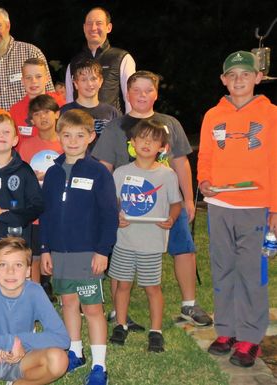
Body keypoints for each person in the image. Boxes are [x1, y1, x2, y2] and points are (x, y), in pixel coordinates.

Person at [92, 71, 212, 330]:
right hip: (128, 207)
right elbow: (104, 168)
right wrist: (109, 208)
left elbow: (181, 163)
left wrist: (188, 199)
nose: (142, 95)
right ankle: (118, 310)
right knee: (120, 253)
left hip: (166, 203)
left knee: (183, 248)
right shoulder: (116, 127)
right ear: (127, 93)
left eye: (148, 90)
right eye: (136, 90)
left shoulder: (170, 124)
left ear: (156, 94)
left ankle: (189, 303)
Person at [198, 51, 277, 368]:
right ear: (223, 80)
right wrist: (203, 180)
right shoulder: (212, 116)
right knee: (223, 268)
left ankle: (249, 336)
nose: (239, 79)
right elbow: (204, 155)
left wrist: (274, 208)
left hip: (255, 206)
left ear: (259, 77)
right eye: (233, 74)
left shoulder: (271, 115)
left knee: (251, 272)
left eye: (246, 73)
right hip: (219, 205)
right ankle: (227, 329)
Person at [40, 110, 117, 385]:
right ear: (58, 136)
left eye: (80, 136)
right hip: (59, 252)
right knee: (68, 302)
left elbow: (109, 215)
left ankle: (99, 366)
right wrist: (45, 248)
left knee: (92, 308)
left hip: (88, 253)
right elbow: (46, 213)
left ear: (91, 137)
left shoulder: (98, 172)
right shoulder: (52, 172)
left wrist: (102, 250)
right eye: (67, 135)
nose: (73, 141)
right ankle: (75, 351)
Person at [109, 119, 180, 353]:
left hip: (151, 243)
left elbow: (175, 204)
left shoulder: (167, 175)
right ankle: (121, 324)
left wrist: (170, 219)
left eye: (153, 139)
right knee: (123, 285)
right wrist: (117, 216)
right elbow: (115, 205)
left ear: (162, 146)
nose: (147, 143)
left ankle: (155, 331)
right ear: (133, 142)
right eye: (142, 138)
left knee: (152, 288)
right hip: (125, 241)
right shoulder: (121, 173)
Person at [0, 237, 69, 385]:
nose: (10, 271)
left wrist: (20, 343)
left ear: (28, 271)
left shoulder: (35, 292)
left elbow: (62, 338)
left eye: (18, 265)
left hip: (24, 357)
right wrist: (7, 342)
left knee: (59, 360)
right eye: (3, 264)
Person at [0, 114, 43, 280]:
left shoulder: (24, 170)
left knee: (17, 295)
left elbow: (38, 205)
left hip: (16, 248)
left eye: (6, 132)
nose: (0, 136)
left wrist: (9, 216)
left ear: (15, 140)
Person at [18, 95, 63, 290]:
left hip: (61, 209)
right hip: (36, 210)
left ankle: (63, 289)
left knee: (60, 251)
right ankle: (37, 292)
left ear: (57, 115)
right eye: (37, 114)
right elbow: (20, 177)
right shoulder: (26, 146)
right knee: (35, 255)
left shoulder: (65, 142)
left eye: (47, 112)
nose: (43, 117)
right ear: (31, 120)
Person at [66, 7, 136, 113]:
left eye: (99, 23)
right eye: (89, 24)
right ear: (84, 28)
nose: (93, 28)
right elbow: (70, 100)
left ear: (109, 27)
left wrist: (128, 127)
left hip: (112, 126)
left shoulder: (122, 58)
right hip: (80, 127)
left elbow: (131, 98)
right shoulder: (74, 63)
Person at [60, 59, 121, 143]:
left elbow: (117, 143)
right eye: (84, 80)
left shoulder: (111, 112)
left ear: (101, 81)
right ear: (76, 84)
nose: (89, 84)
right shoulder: (66, 111)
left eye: (93, 79)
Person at [9, 58, 65, 146]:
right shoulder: (15, 110)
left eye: (38, 76)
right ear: (22, 81)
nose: (33, 81)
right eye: (28, 77)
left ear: (46, 79)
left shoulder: (60, 104)